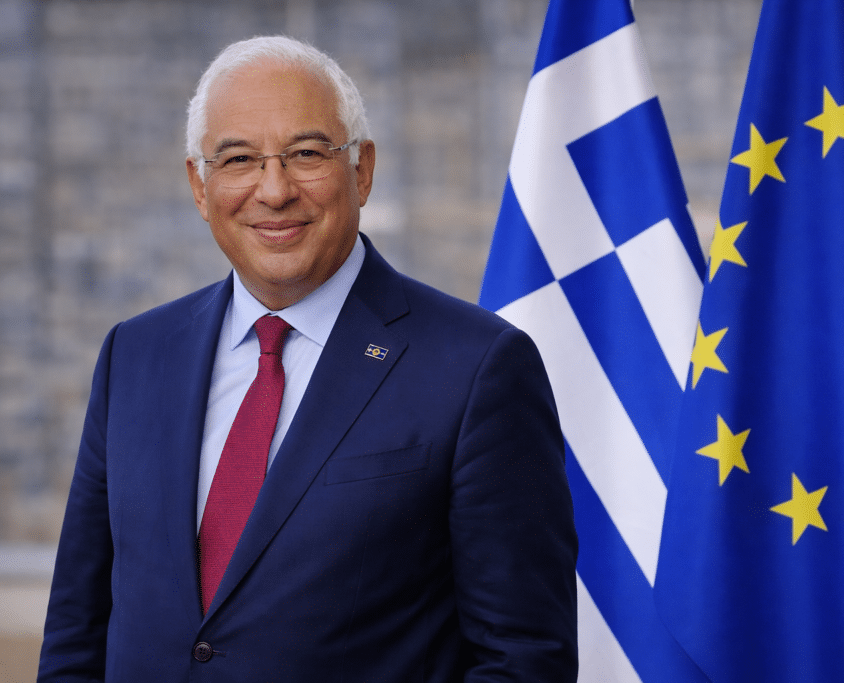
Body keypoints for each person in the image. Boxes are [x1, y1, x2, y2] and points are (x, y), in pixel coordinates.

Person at [38, 35, 578, 682]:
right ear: (200, 186)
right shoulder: (135, 354)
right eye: (239, 158)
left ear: (362, 170)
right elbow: (77, 632)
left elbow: (523, 658)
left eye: (306, 154)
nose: (274, 190)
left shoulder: (478, 369)